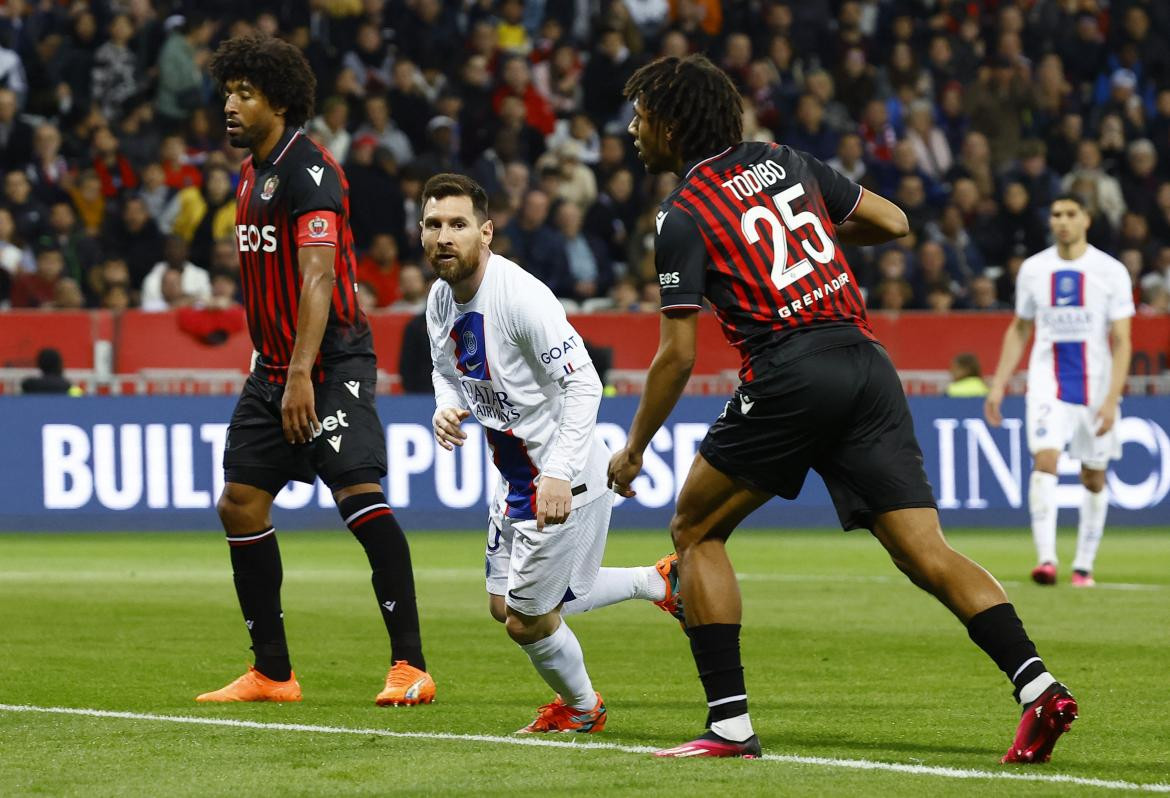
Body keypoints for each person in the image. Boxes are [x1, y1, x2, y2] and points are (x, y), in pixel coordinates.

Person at [607, 54, 1077, 762]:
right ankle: (1038, 685)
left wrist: (635, 446)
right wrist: (817, 236)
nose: (635, 130)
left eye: (641, 116)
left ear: (672, 124)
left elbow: (676, 355)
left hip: (790, 370)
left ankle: (729, 726)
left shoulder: (682, 214)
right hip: (865, 363)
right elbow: (893, 222)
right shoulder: (785, 160)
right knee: (926, 551)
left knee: (693, 529)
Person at [197, 33, 434, 707]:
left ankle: (410, 665)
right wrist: (278, 368)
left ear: (280, 100)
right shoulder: (252, 175)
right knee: (239, 504)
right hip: (273, 367)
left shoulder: (311, 171)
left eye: (245, 92)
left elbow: (318, 277)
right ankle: (273, 672)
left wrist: (302, 373)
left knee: (357, 495)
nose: (230, 104)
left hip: (329, 363)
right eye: (228, 91)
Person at [422, 173, 681, 733]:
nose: (444, 236)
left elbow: (585, 384)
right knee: (505, 605)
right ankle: (658, 582)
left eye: (458, 225)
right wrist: (446, 406)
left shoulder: (521, 299)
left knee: (525, 622)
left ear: (486, 233)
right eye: (433, 224)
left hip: (562, 475)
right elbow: (445, 371)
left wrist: (559, 475)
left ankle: (584, 709)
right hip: (516, 474)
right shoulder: (441, 298)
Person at [985, 194, 1134, 588]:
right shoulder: (1034, 269)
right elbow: (1019, 328)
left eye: (1071, 214)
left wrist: (1111, 399)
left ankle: (1083, 565)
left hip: (1096, 384)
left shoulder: (1111, 271)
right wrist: (998, 385)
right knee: (1045, 460)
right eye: (1056, 215)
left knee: (1093, 478)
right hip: (1047, 379)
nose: (1063, 221)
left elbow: (1122, 340)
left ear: (1087, 219)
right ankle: (1046, 560)